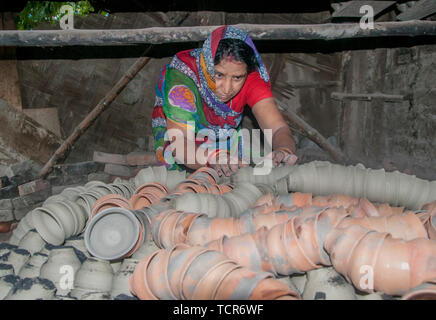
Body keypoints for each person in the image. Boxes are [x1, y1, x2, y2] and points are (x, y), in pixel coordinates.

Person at [152, 25, 297, 177]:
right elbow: (180, 144)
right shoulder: (183, 78)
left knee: (235, 172)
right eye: (219, 75)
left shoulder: (252, 79)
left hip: (221, 138)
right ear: (207, 65)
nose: (227, 89)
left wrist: (284, 150)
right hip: (182, 140)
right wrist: (212, 157)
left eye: (237, 78)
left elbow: (278, 128)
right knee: (176, 178)